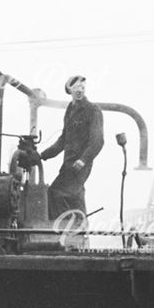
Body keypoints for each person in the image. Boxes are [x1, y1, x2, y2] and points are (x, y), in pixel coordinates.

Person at [39, 75, 105, 219]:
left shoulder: (92, 110)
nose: (80, 90)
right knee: (74, 196)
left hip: (81, 165)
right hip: (68, 163)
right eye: (76, 87)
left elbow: (98, 141)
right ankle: (78, 230)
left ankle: (66, 227)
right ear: (69, 90)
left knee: (56, 192)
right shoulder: (70, 110)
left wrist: (83, 160)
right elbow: (63, 140)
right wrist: (42, 155)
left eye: (82, 87)